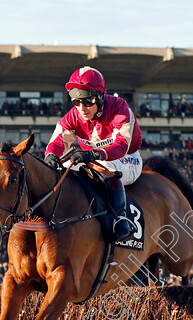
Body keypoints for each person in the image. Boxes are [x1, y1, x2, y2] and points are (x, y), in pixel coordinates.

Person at [44, 66, 142, 242]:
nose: (82, 108)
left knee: (106, 166)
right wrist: (51, 155)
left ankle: (121, 220)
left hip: (127, 158)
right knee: (64, 166)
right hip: (93, 158)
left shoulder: (120, 108)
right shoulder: (73, 116)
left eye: (88, 101)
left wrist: (94, 154)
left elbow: (121, 146)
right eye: (76, 102)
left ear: (100, 97)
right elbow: (58, 141)